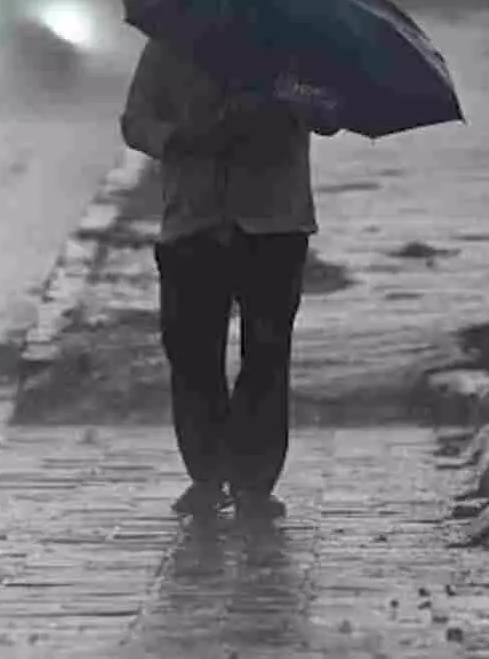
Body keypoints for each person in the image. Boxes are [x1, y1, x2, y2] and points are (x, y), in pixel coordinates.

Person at [119, 37, 341, 519]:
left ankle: (254, 483)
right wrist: (184, 138)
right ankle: (206, 475)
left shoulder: (293, 49)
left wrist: (287, 100)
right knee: (192, 355)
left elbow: (330, 113)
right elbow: (136, 122)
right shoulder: (169, 48)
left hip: (275, 222)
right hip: (192, 223)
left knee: (266, 354)